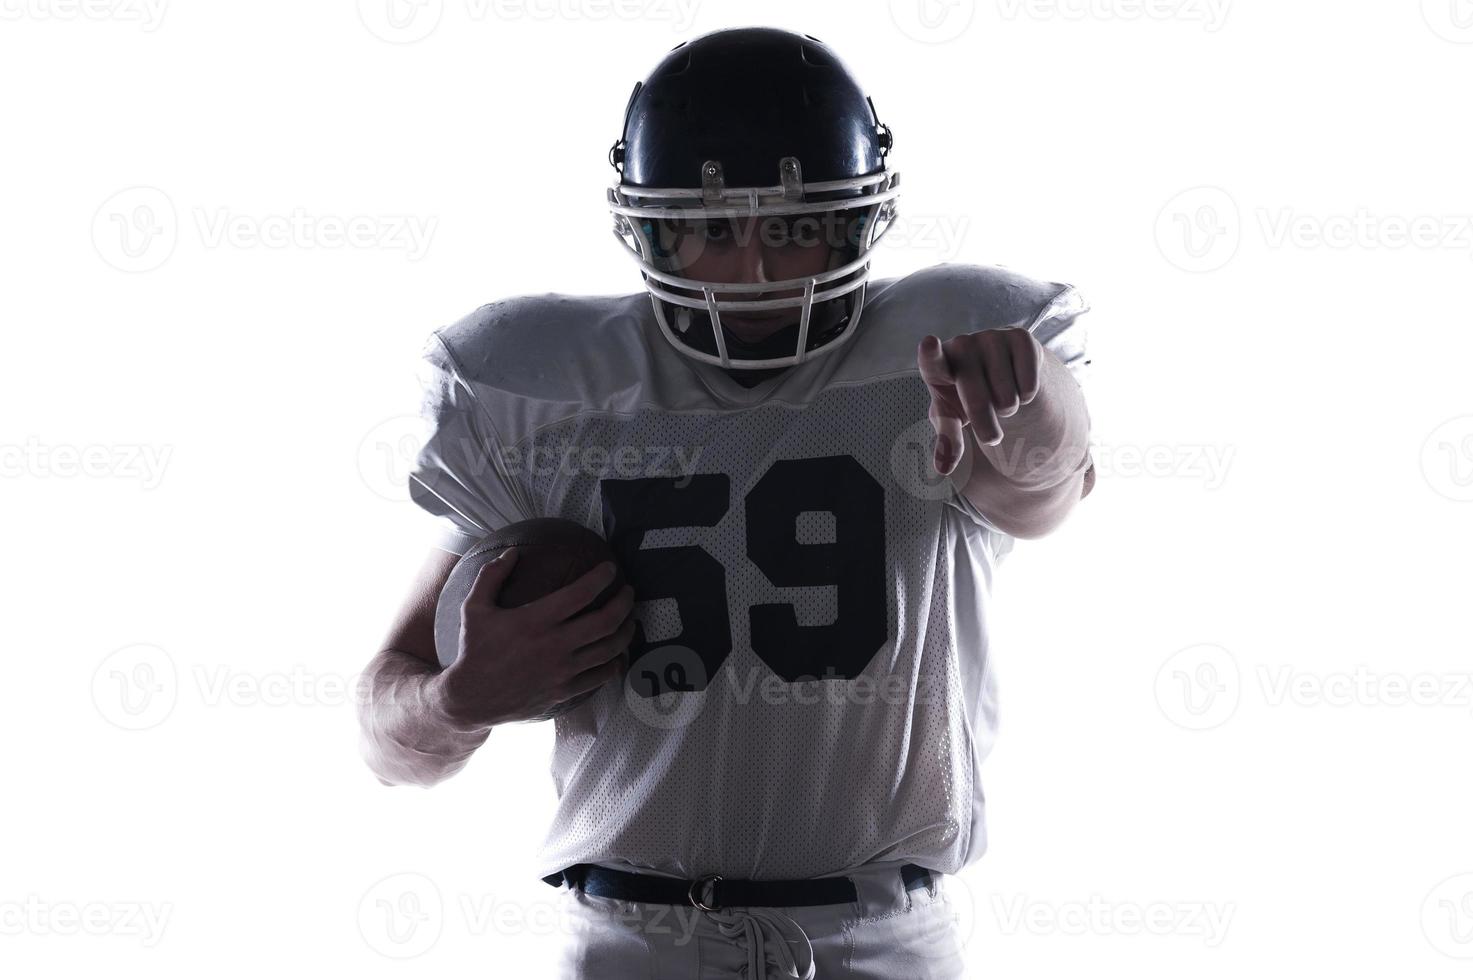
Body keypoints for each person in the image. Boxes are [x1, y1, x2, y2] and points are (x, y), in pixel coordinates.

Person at [357, 26, 1095, 979]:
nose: (754, 269)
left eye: (794, 225)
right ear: (647, 225)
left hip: (883, 935)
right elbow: (386, 739)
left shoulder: (946, 350)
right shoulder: (537, 387)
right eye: (712, 227)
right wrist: (459, 698)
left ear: (858, 218)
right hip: (630, 939)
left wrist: (1026, 404)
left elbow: (1046, 492)